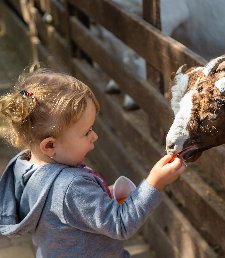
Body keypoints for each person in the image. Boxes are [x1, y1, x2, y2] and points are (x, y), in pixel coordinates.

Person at [0, 67, 186, 258]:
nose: (94, 136)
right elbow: (120, 224)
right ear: (50, 146)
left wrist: (102, 196)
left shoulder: (25, 166)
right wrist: (155, 183)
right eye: (86, 132)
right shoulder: (71, 187)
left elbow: (63, 212)